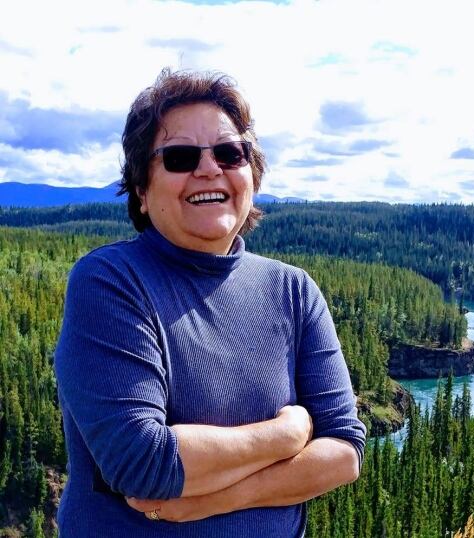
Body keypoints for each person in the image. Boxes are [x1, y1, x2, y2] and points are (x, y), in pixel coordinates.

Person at [54, 69, 366, 537]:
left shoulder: (293, 291)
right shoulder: (111, 281)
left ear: (251, 174)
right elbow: (143, 464)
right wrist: (286, 435)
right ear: (141, 189)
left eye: (228, 152)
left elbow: (343, 453)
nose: (208, 168)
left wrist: (216, 499)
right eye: (180, 157)